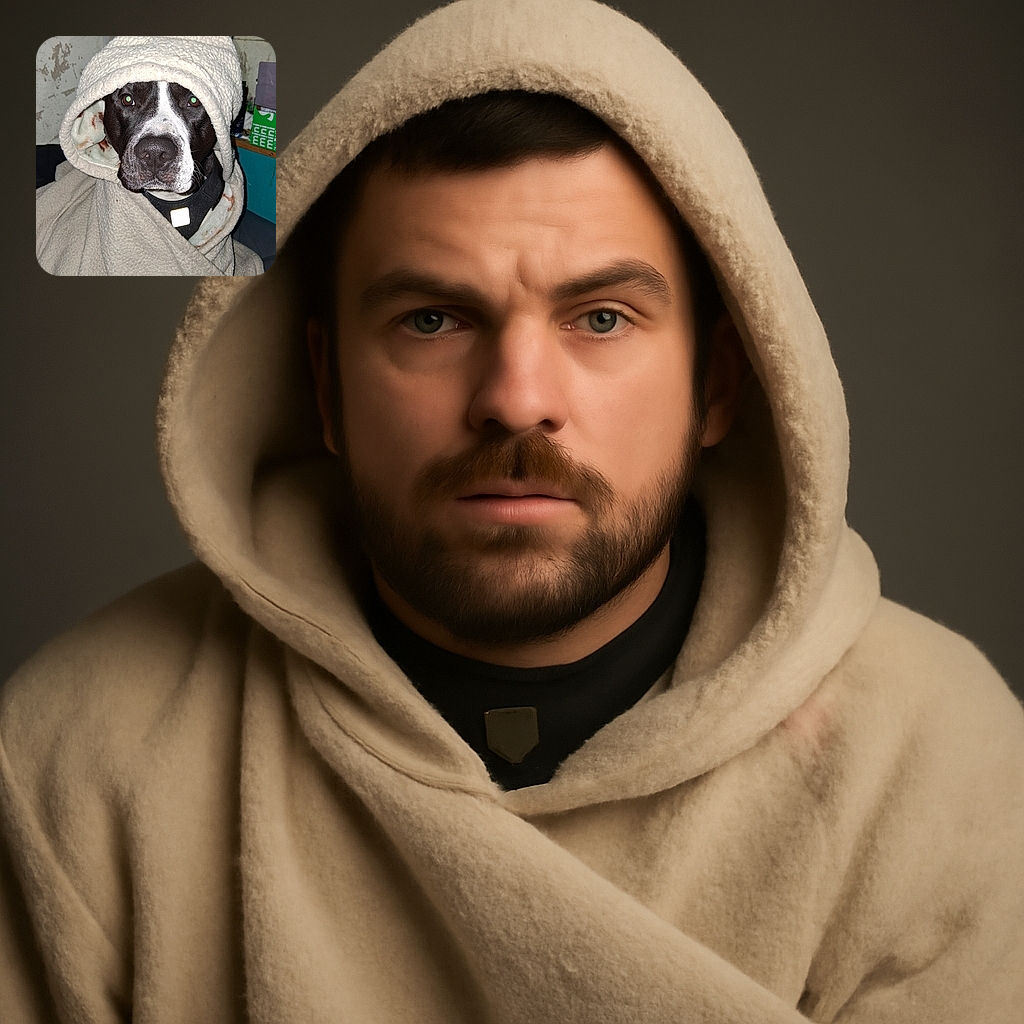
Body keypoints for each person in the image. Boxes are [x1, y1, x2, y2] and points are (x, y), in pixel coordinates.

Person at [3, 0, 1021, 1020]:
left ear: (719, 383)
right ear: (326, 386)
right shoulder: (79, 759)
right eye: (433, 319)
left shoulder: (939, 766)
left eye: (601, 317)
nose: (514, 395)